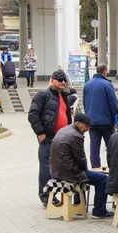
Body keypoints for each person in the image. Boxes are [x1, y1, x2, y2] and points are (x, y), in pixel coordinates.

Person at [49, 113, 113, 219]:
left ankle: (79, 205)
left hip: (56, 171)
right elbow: (81, 159)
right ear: (78, 124)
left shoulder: (63, 130)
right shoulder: (76, 136)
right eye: (86, 126)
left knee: (84, 174)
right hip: (68, 173)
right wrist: (86, 170)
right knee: (103, 179)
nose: (88, 129)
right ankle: (99, 211)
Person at [28, 70, 72, 207]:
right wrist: (41, 133)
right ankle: (46, 196)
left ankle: (57, 194)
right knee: (46, 169)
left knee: (60, 168)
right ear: (52, 80)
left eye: (64, 80)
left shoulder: (65, 96)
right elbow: (33, 115)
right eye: (59, 80)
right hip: (48, 138)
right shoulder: (43, 95)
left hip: (62, 138)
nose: (63, 82)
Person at [83, 64, 118, 169]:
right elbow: (113, 104)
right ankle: (112, 167)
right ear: (105, 72)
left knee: (94, 146)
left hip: (92, 121)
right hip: (106, 121)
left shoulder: (87, 84)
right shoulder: (107, 85)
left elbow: (85, 103)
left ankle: (95, 167)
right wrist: (114, 120)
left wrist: (88, 117)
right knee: (110, 146)